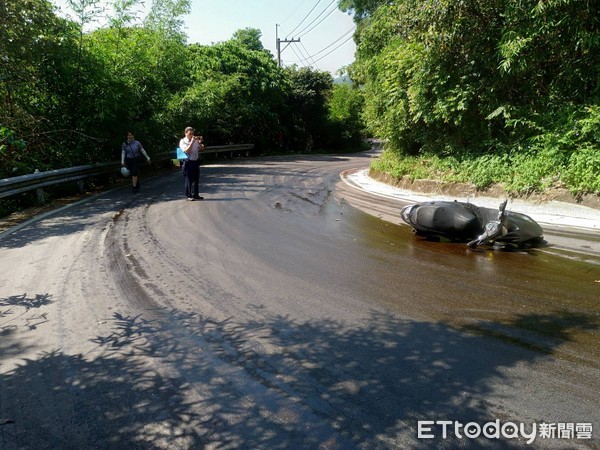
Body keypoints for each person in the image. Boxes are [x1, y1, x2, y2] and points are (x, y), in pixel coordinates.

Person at [179, 126, 205, 201]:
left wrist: (200, 143)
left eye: (192, 133)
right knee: (189, 180)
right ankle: (188, 195)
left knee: (196, 179)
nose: (191, 135)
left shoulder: (195, 140)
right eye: (190, 134)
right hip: (188, 162)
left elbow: (202, 149)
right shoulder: (183, 141)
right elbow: (186, 151)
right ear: (185, 133)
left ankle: (196, 194)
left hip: (195, 162)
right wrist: (192, 142)